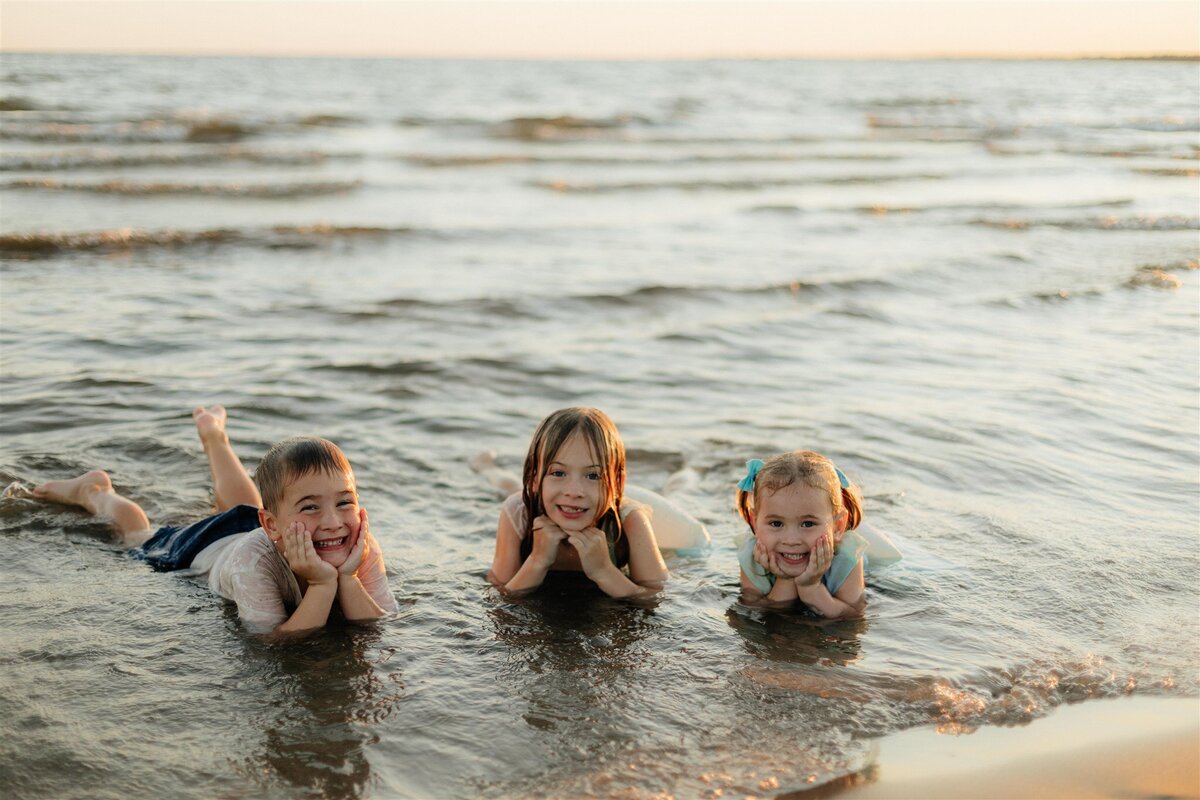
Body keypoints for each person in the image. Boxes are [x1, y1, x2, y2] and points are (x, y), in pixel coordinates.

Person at [33, 406, 397, 634]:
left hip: (253, 527)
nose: (334, 521)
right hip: (200, 550)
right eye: (311, 507)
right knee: (136, 530)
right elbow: (279, 640)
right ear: (272, 527)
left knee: (247, 504)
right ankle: (94, 491)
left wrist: (347, 577)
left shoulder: (357, 541)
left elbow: (377, 619)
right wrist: (320, 586)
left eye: (344, 502)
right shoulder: (252, 564)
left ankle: (214, 435)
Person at [487, 407, 668, 597]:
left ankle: (691, 472)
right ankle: (486, 467)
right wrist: (537, 560)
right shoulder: (518, 514)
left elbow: (655, 595)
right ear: (533, 479)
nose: (574, 492)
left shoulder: (629, 520)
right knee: (504, 484)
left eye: (592, 475)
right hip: (532, 497)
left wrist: (604, 570)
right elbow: (500, 595)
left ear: (617, 483)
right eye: (558, 473)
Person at [735, 450, 868, 619]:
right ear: (755, 523)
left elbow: (853, 617)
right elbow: (757, 611)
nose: (791, 540)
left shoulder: (847, 557)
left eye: (808, 524)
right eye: (776, 523)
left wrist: (810, 587)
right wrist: (786, 580)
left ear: (838, 526)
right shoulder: (751, 556)